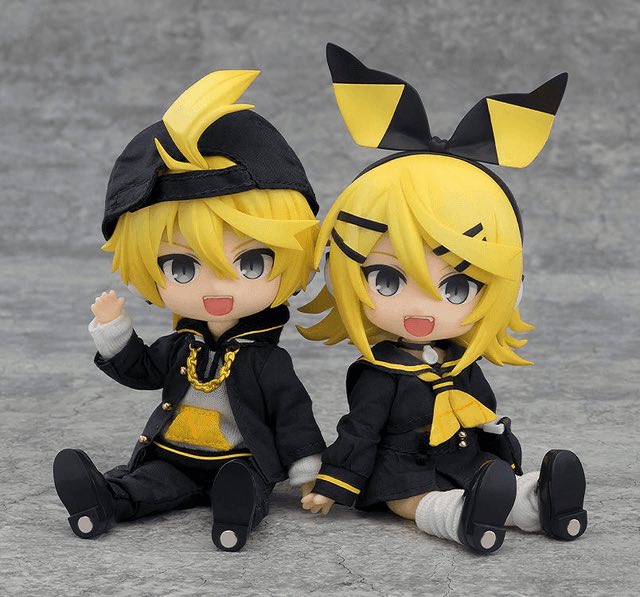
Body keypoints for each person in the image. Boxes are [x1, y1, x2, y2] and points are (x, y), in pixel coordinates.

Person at [299, 44, 587, 554]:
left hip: (461, 455)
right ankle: (460, 519)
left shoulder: (458, 358)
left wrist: (493, 433)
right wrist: (331, 483)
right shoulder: (379, 372)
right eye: (387, 280)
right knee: (412, 499)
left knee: (493, 477)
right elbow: (360, 430)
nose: (422, 307)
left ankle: (541, 504)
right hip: (401, 469)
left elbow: (480, 404)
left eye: (456, 288)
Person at [53, 69, 325, 552]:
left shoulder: (267, 362)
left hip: (240, 457)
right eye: (181, 267)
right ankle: (100, 503)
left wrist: (308, 473)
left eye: (251, 263)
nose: (217, 287)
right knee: (148, 484)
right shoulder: (181, 347)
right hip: (174, 453)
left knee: (243, 485)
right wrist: (114, 331)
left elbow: (293, 416)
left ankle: (234, 517)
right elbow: (142, 370)